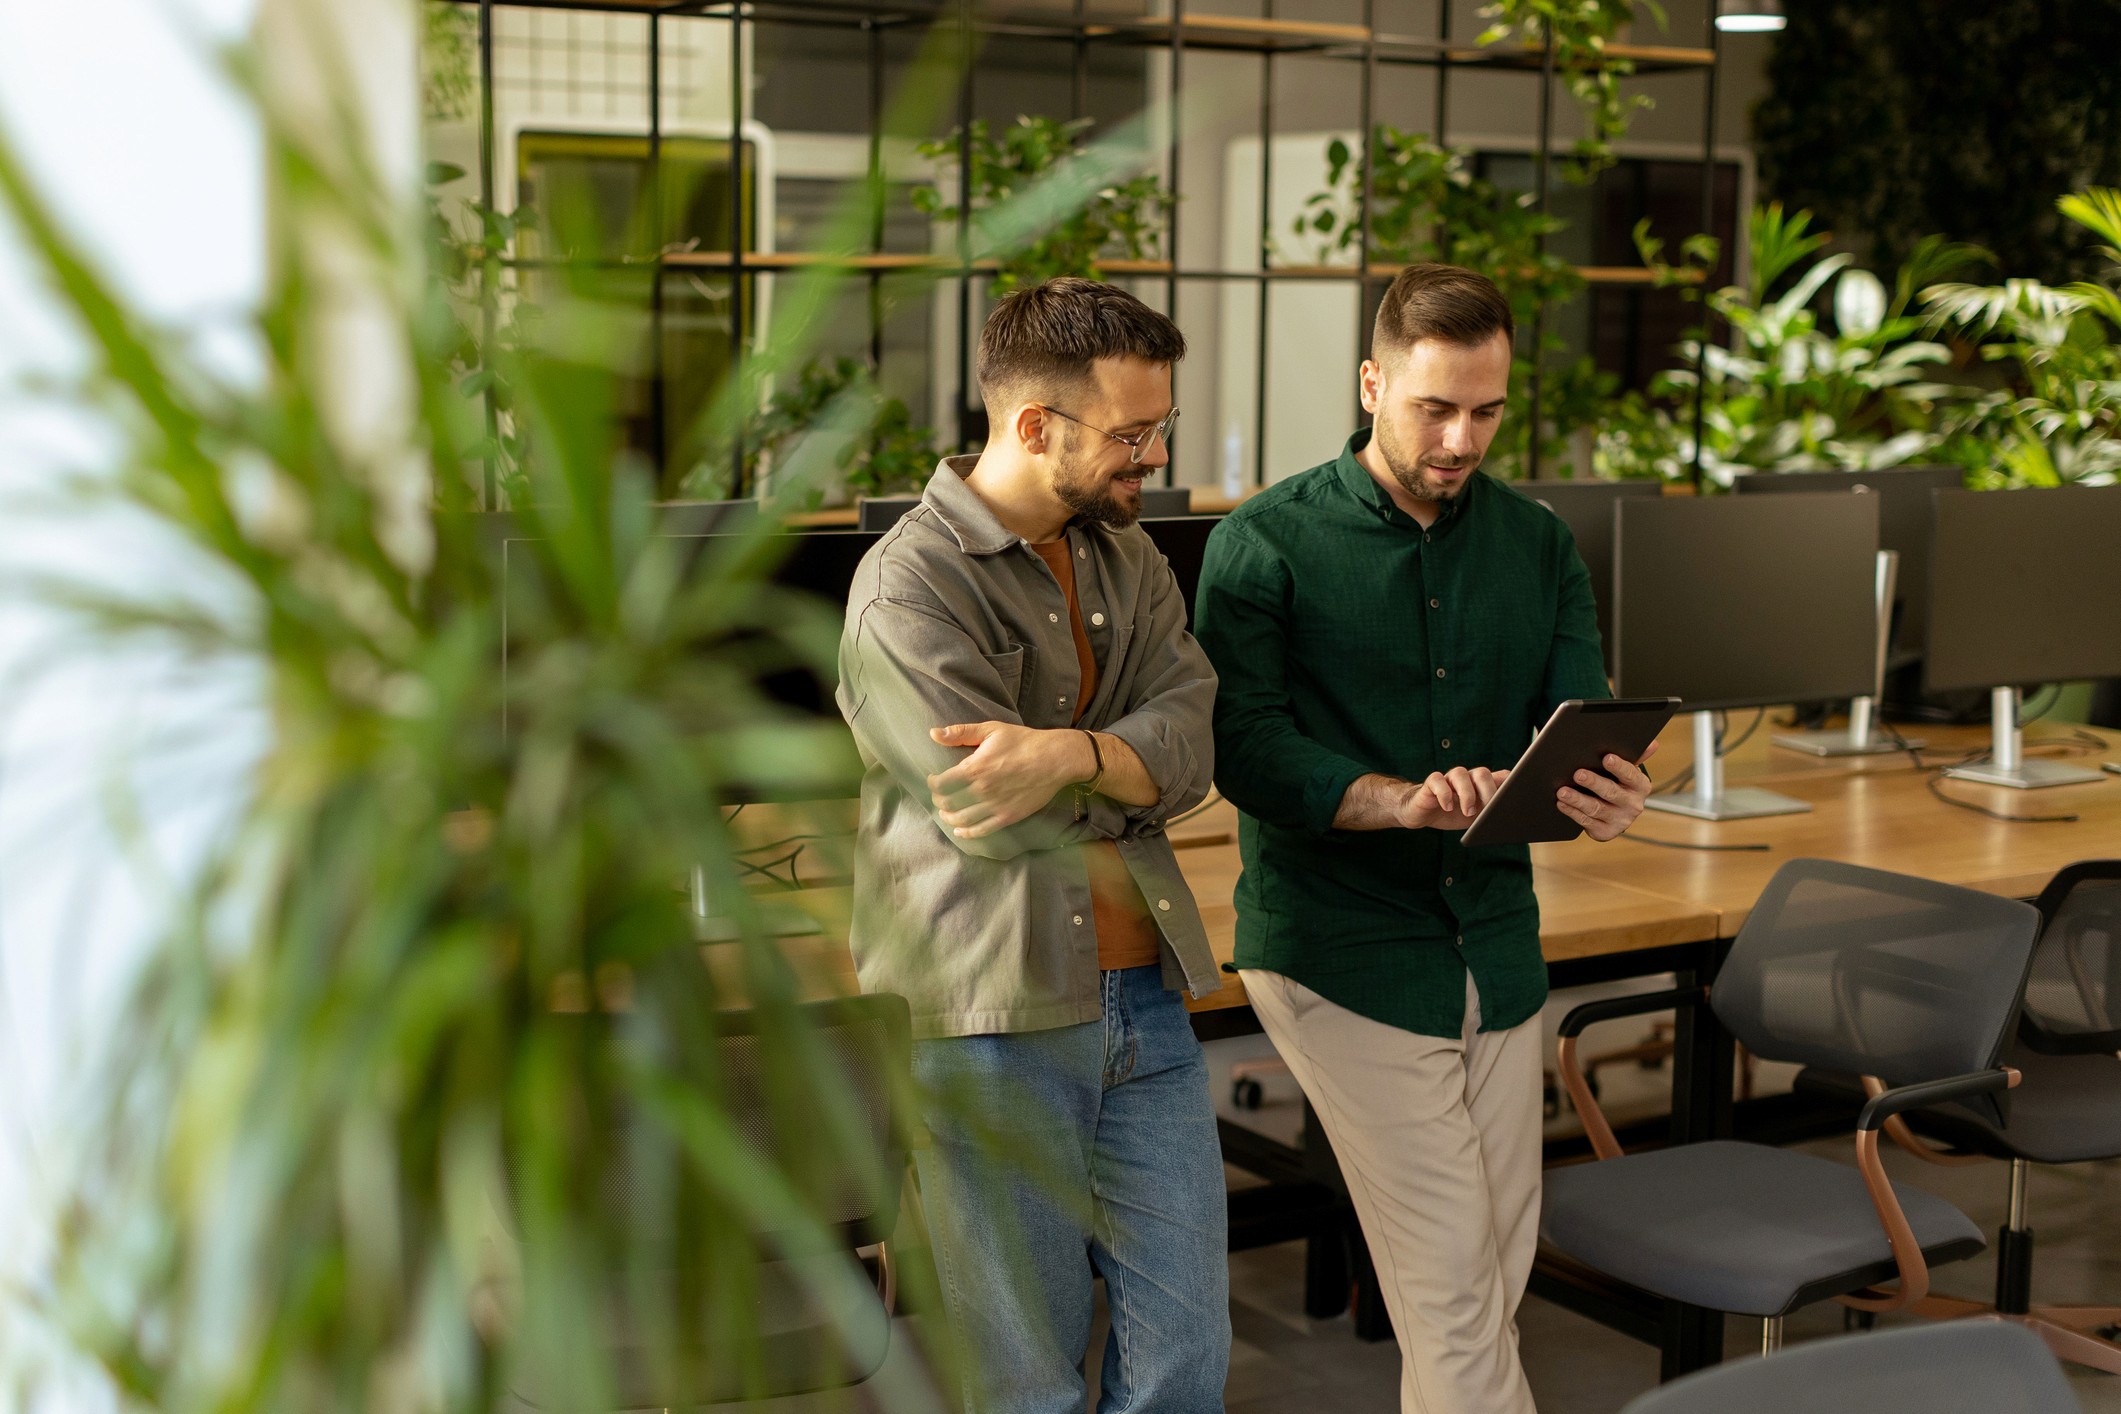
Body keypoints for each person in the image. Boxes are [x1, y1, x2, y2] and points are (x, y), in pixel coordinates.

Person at [1194, 262, 1657, 1414]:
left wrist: (1608, 785)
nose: (1461, 438)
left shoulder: (1537, 544)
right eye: (1433, 407)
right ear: (1371, 383)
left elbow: (1577, 716)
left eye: (1487, 411)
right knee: (1454, 1284)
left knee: (1493, 1267)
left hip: (1493, 941)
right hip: (1338, 947)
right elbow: (1240, 749)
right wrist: (1398, 799)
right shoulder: (1265, 543)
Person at [837, 277, 1227, 1413]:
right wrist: (1125, 766)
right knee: (1026, 1380)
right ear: (1034, 426)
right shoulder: (905, 587)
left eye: (1161, 428)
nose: (1149, 456)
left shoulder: (1129, 558)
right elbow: (985, 810)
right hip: (987, 1017)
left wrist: (1063, 756)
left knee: (1187, 1361)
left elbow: (1195, 737)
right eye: (1130, 433)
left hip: (1146, 998)